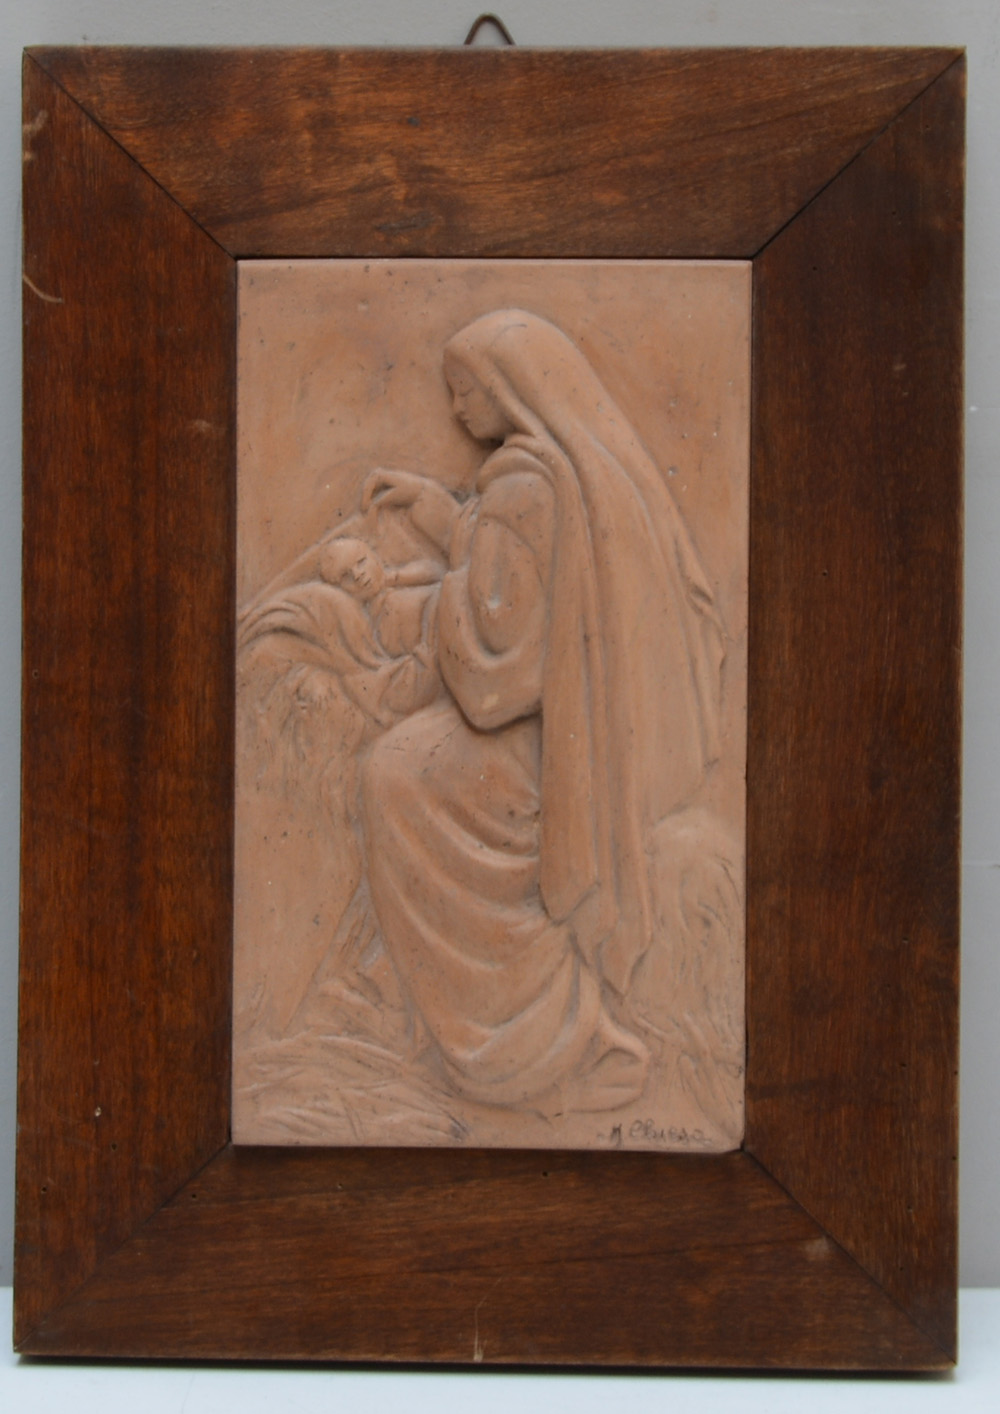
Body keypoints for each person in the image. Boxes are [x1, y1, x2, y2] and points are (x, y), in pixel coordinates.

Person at [359, 309, 725, 1118]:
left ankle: (533, 1037)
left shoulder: (522, 488)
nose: (455, 408)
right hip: (575, 728)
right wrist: (442, 512)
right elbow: (518, 574)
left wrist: (421, 609)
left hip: (536, 748)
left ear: (509, 389)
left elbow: (501, 675)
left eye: (465, 390)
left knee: (392, 777)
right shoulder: (563, 475)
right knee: (400, 762)